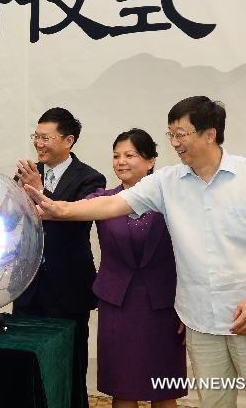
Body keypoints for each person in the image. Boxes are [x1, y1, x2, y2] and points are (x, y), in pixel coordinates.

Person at [27, 96, 246, 408]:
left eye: (181, 134)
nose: (175, 143)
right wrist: (59, 208)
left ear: (209, 134)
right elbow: (113, 203)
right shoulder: (169, 181)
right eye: (171, 135)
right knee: (214, 401)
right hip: (202, 322)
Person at [14, 107, 106, 408]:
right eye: (36, 137)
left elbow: (75, 220)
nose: (38, 144)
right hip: (29, 285)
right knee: (25, 363)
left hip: (69, 287)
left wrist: (41, 191)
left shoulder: (90, 178)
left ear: (68, 140)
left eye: (46, 138)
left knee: (69, 365)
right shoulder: (26, 175)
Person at [90, 129, 186, 407]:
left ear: (151, 160)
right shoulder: (102, 198)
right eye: (117, 155)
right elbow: (66, 209)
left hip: (164, 306)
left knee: (165, 387)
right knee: (123, 387)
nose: (121, 161)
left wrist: (188, 303)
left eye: (130, 155)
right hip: (118, 305)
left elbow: (189, 254)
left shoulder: (172, 200)